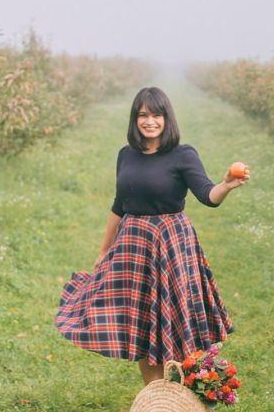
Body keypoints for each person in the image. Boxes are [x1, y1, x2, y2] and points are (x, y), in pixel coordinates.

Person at [55, 86, 250, 386]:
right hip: (133, 246)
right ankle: (154, 394)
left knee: (171, 319)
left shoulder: (183, 155)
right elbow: (119, 206)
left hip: (171, 243)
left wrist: (225, 184)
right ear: (135, 119)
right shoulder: (126, 155)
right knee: (142, 322)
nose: (150, 122)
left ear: (166, 118)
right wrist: (104, 250)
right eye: (143, 115)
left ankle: (179, 392)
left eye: (156, 115)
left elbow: (208, 196)